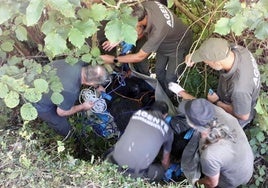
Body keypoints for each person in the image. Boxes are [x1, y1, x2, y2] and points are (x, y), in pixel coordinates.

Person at [100, 1, 193, 98]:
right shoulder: (144, 6)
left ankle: (168, 98)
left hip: (180, 45)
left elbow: (139, 57)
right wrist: (120, 38)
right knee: (159, 71)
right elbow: (140, 30)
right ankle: (160, 93)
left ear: (137, 21)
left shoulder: (158, 30)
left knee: (170, 78)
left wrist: (113, 59)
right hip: (164, 43)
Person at [184, 37, 260, 128]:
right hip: (240, 95)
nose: (206, 64)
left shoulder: (239, 89)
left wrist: (217, 102)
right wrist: (194, 56)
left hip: (239, 111)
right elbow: (214, 48)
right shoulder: (238, 50)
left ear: (217, 63)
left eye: (207, 63)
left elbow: (243, 116)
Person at [178, 98, 254, 188]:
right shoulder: (217, 111)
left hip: (234, 179)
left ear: (192, 124)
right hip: (245, 162)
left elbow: (211, 183)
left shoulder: (209, 155)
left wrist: (196, 183)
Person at [34, 59, 109, 137]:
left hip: (37, 80)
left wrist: (97, 86)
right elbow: (61, 112)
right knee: (62, 125)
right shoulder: (72, 90)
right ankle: (68, 137)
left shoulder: (78, 61)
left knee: (62, 99)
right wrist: (83, 106)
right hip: (37, 99)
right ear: (90, 83)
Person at [105, 101, 174, 182]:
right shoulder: (168, 131)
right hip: (132, 173)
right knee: (160, 171)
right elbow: (165, 161)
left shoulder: (137, 113)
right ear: (165, 115)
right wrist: (165, 169)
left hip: (112, 162)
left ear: (151, 109)